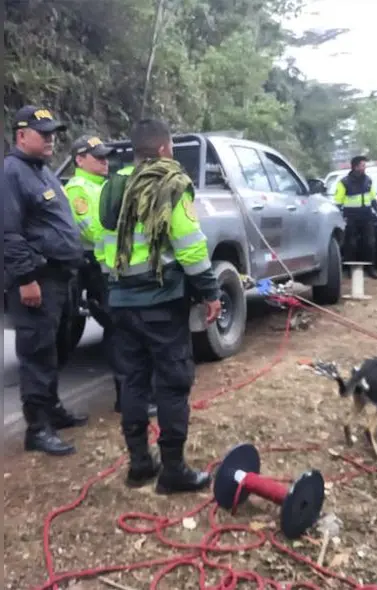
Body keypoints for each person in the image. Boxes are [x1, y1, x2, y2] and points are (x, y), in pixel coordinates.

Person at [100, 119, 222, 493]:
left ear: (135, 151)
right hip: (161, 301)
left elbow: (102, 245)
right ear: (166, 149)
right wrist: (210, 290)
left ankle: (139, 465)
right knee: (172, 383)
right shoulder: (170, 184)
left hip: (120, 300)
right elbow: (189, 245)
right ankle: (173, 471)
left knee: (133, 382)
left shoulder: (112, 186)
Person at [4, 105, 89, 456]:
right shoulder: (11, 173)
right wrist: (26, 279)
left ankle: (52, 410)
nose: (52, 138)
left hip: (60, 278)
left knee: (55, 346)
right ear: (22, 135)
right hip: (36, 278)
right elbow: (8, 233)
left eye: (54, 132)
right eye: (44, 133)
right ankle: (37, 429)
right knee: (37, 352)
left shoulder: (42, 171)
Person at [64, 134, 157, 419]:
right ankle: (126, 397)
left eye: (106, 157)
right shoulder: (78, 189)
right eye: (98, 157)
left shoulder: (105, 185)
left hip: (114, 264)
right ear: (80, 160)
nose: (105, 162)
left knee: (128, 327)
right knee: (119, 330)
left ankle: (135, 393)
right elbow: (92, 231)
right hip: (97, 266)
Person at [333, 155, 377, 280]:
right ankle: (350, 270)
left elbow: (373, 198)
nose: (365, 168)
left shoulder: (368, 180)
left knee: (369, 243)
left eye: (365, 165)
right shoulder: (344, 182)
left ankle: (370, 268)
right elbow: (338, 201)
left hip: (366, 216)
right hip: (351, 217)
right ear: (355, 167)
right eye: (363, 165)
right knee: (351, 244)